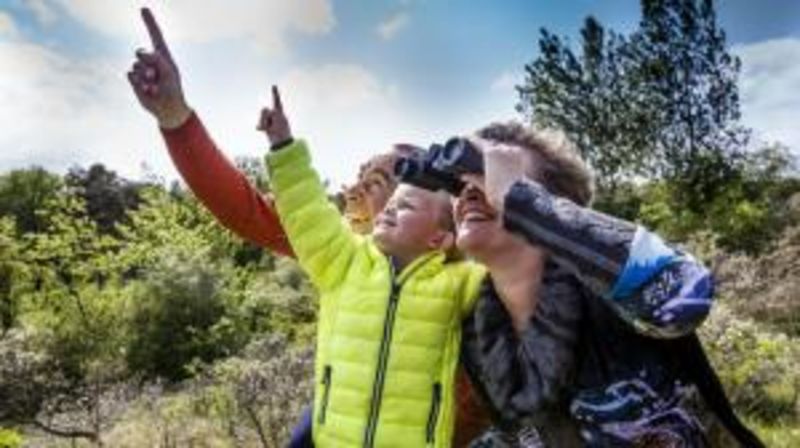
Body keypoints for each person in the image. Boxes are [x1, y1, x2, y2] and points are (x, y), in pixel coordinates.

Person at [127, 8, 492, 446]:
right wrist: (175, 117)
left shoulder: (470, 272)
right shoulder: (340, 250)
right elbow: (244, 208)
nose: (357, 190)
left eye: (379, 181)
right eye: (360, 176)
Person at [450, 122, 763, 447]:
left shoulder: (612, 288)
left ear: (555, 207)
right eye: (459, 184)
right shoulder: (477, 332)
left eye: (491, 177)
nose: (470, 191)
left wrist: (520, 202)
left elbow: (685, 296)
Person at [257, 85, 487, 447]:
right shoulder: (344, 263)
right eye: (393, 201)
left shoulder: (460, 282)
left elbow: (509, 262)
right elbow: (308, 213)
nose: (391, 208)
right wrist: (284, 148)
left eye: (407, 206)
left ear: (440, 240)